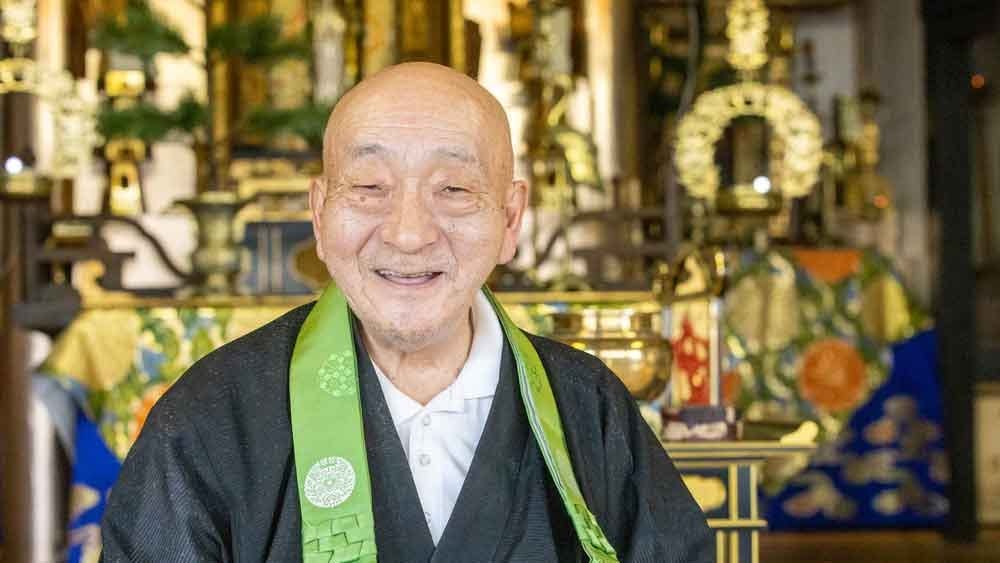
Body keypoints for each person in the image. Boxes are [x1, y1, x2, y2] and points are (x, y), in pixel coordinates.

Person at [100, 62, 713, 563]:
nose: (409, 234)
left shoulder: (591, 410)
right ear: (319, 213)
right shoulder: (212, 418)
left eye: (453, 189)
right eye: (368, 188)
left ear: (509, 218)